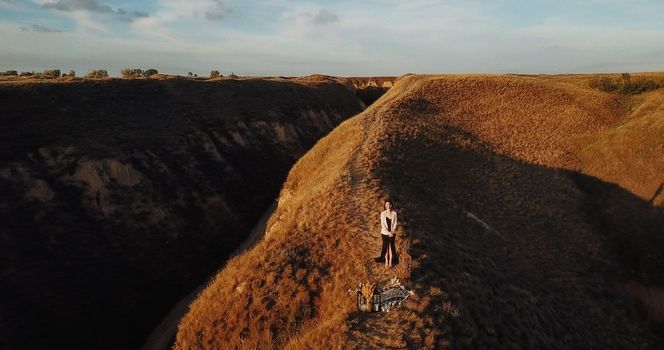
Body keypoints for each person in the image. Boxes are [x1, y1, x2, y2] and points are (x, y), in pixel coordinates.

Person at [374, 201, 398, 267]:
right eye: (386, 204)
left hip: (392, 233)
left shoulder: (394, 213)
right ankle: (386, 261)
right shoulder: (382, 213)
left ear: (391, 205)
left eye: (389, 204)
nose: (387, 205)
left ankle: (390, 261)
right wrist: (388, 232)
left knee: (390, 247)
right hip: (384, 233)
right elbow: (383, 224)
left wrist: (392, 231)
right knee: (386, 247)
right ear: (385, 205)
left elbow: (395, 222)